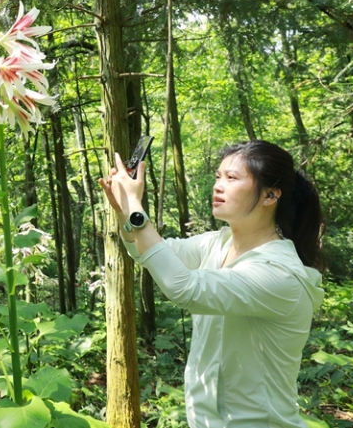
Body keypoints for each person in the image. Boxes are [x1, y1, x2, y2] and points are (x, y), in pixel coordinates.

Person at [100, 139, 325, 428]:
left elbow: (184, 288)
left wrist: (136, 207)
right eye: (218, 177)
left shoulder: (279, 272)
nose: (218, 186)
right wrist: (124, 210)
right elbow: (149, 252)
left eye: (232, 178)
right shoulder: (217, 244)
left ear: (270, 195)